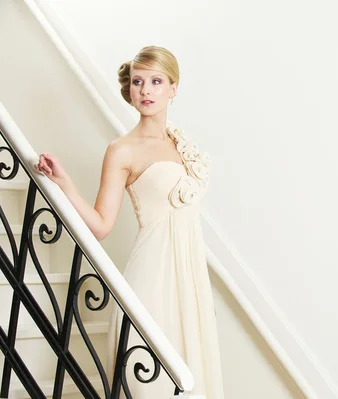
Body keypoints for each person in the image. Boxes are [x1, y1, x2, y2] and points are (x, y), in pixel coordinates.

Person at [34, 46, 224, 398]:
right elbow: (102, 224)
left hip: (189, 280)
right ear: (130, 89)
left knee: (192, 378)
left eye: (156, 81)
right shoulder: (122, 150)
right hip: (152, 279)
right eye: (138, 82)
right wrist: (65, 185)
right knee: (146, 383)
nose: (146, 90)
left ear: (173, 88)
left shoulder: (181, 145)